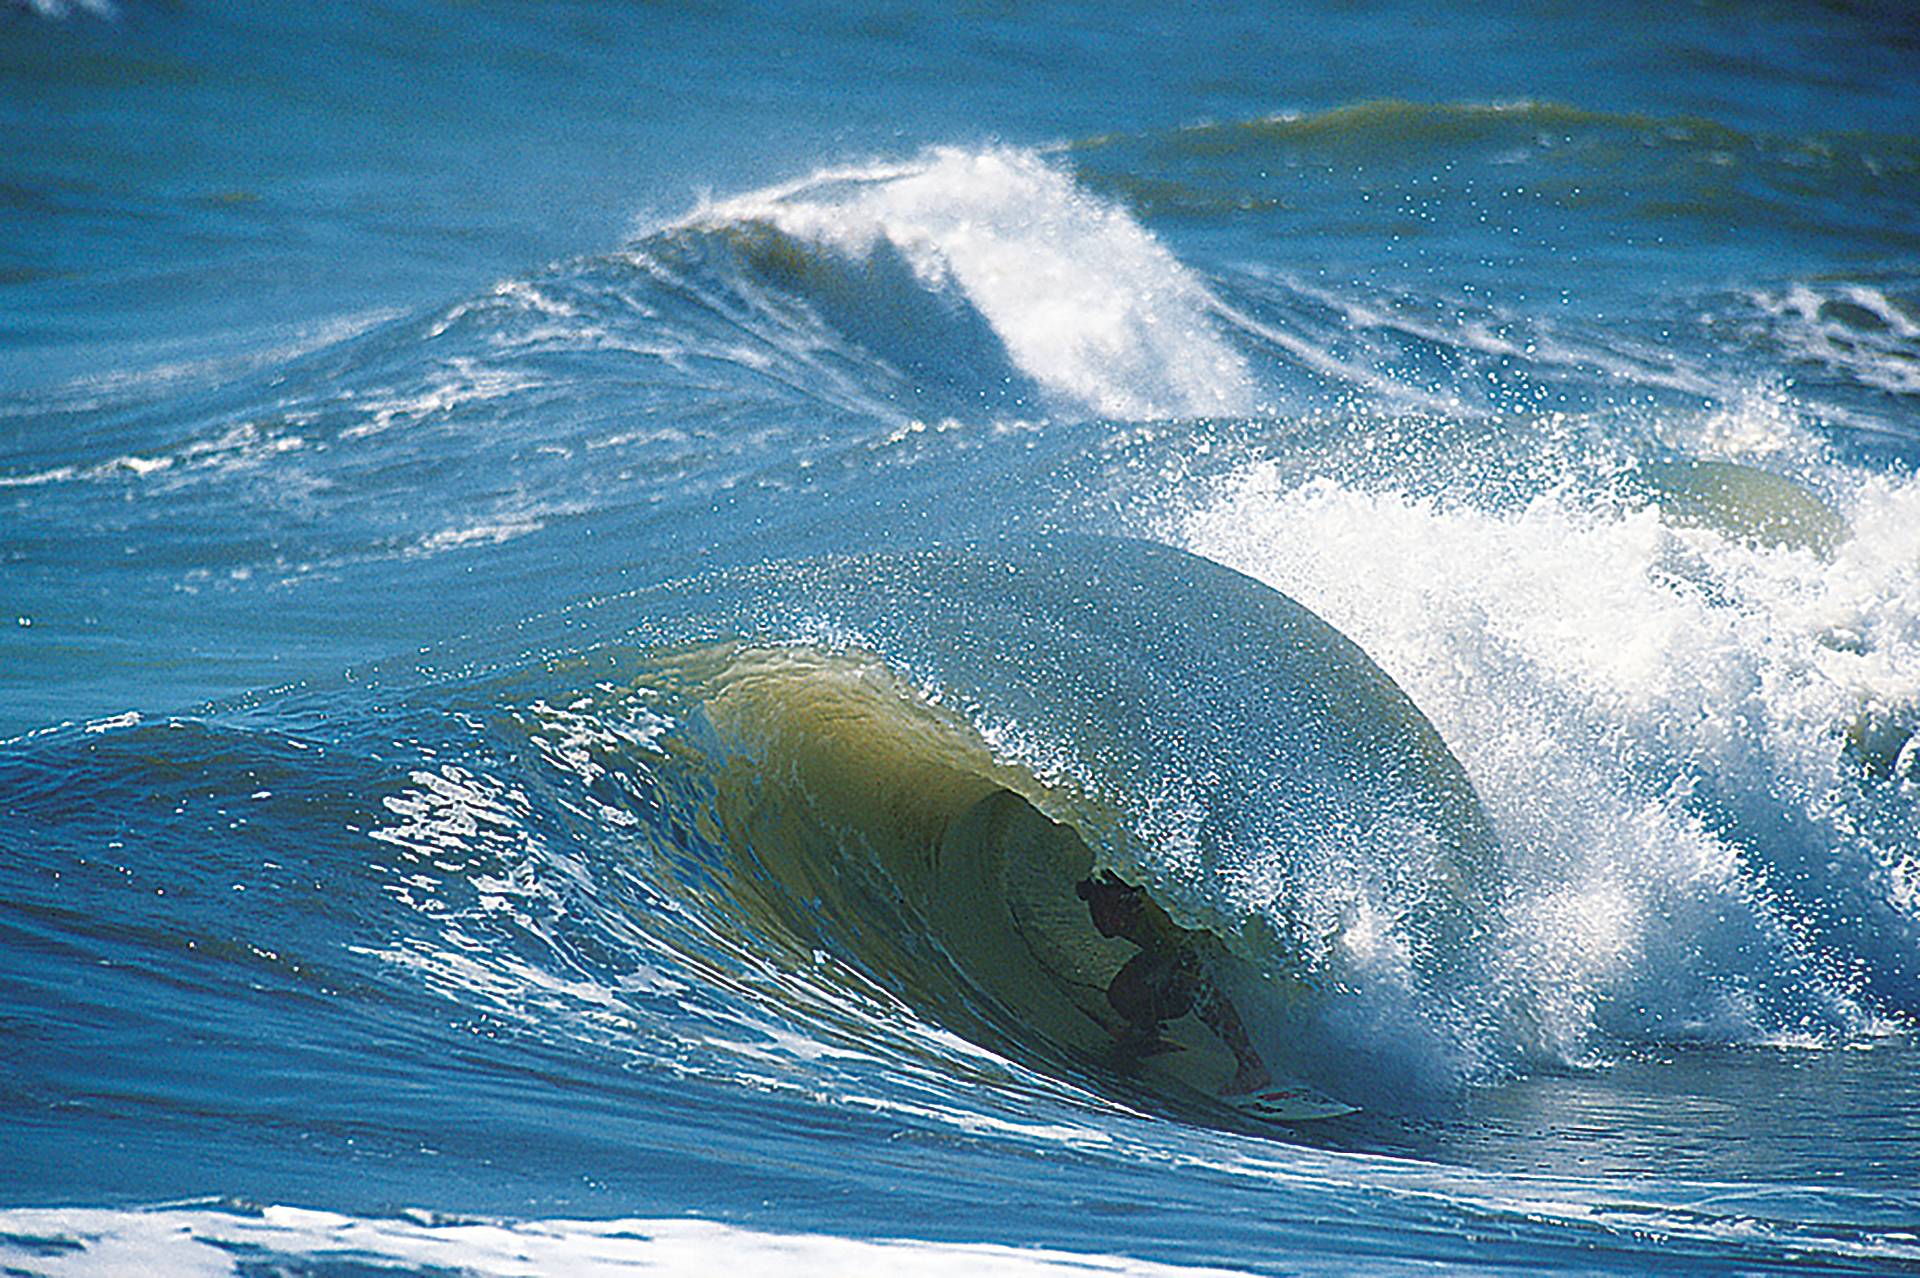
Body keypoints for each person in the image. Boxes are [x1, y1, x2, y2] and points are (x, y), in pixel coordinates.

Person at [1074, 873, 1271, 1095]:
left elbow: (1195, 952)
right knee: (1121, 995)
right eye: (1096, 907)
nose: (1104, 919)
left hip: (1212, 953)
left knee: (1190, 985)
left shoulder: (1154, 911)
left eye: (1105, 908)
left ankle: (1252, 1065)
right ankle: (1144, 1033)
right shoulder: (1119, 913)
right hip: (1170, 953)